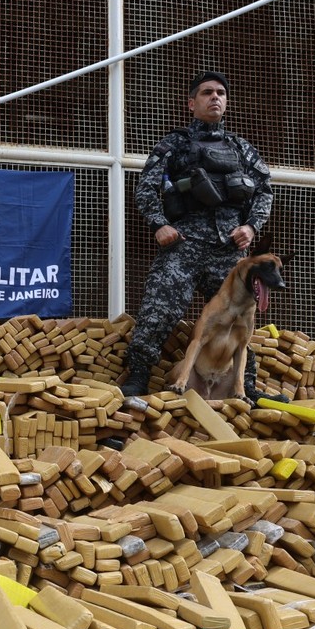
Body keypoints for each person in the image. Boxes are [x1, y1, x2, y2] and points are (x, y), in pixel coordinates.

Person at [122, 71, 275, 399]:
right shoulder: (174, 144)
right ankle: (138, 376)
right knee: (159, 310)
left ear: (227, 102)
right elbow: (147, 187)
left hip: (228, 250)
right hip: (184, 244)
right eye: (207, 93)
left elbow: (264, 189)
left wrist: (251, 226)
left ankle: (246, 387)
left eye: (220, 92)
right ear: (192, 103)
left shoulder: (240, 148)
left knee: (240, 317)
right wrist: (158, 224)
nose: (215, 97)